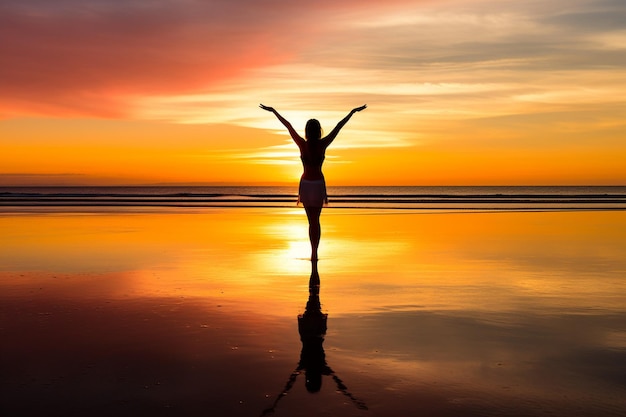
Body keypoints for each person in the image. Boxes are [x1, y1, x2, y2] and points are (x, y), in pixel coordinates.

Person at [259, 103, 367, 260]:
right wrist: (352, 112)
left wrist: (273, 111)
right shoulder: (322, 144)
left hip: (306, 185)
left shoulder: (302, 144)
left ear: (307, 131)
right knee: (316, 221)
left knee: (311, 221)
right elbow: (338, 126)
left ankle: (313, 252)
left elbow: (288, 125)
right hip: (317, 185)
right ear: (318, 131)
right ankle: (314, 252)